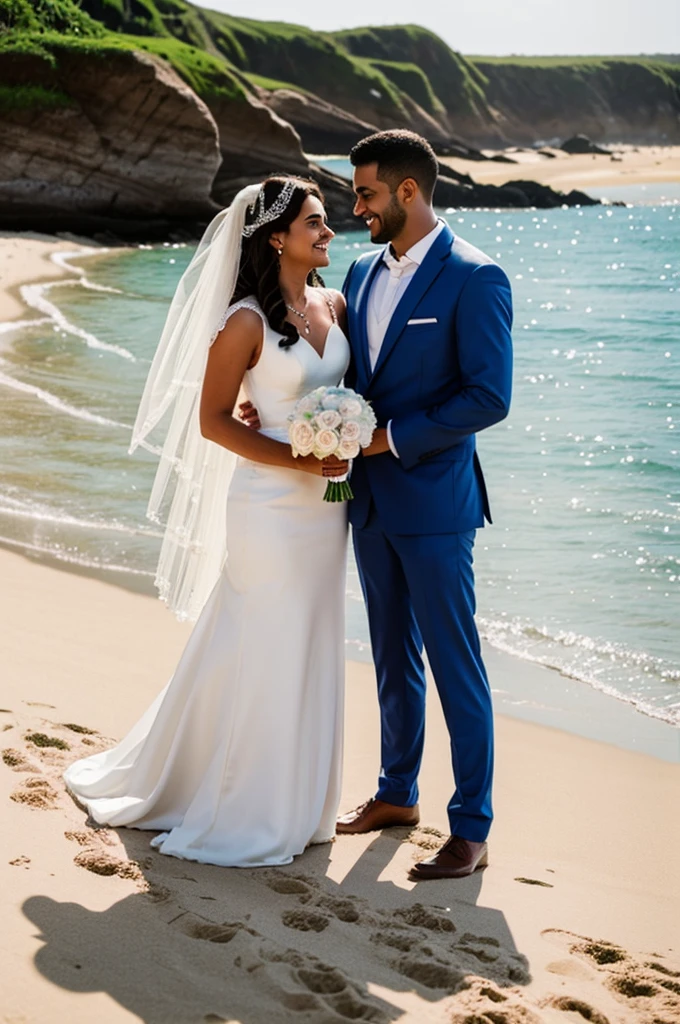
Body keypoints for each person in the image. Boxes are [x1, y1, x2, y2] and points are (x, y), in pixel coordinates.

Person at [64, 176, 352, 868]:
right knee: (264, 642)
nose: (329, 232)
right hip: (268, 510)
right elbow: (214, 422)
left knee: (308, 641)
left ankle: (301, 803)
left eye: (327, 220)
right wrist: (296, 455)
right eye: (315, 222)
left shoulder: (335, 303)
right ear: (276, 236)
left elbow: (346, 390)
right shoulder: (245, 321)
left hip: (326, 516)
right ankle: (245, 805)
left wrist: (341, 439)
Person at [335, 130, 513, 880]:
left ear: (409, 191)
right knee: (389, 657)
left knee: (453, 663)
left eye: (367, 193)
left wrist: (387, 440)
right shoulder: (357, 268)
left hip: (437, 506)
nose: (357, 206)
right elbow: (345, 376)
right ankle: (396, 794)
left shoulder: (476, 277)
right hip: (367, 504)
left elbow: (489, 397)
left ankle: (470, 826)